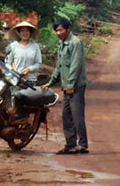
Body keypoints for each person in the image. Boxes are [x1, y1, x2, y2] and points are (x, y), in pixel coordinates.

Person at [42, 18, 89, 155]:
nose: (58, 33)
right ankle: (70, 144)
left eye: (60, 30)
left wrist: (70, 84)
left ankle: (83, 144)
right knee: (66, 116)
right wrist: (51, 82)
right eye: (56, 30)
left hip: (75, 86)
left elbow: (76, 65)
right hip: (67, 86)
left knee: (77, 115)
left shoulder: (75, 43)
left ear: (68, 29)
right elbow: (59, 66)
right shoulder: (62, 44)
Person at [5, 21, 42, 87]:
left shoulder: (35, 46)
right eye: (22, 31)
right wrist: (14, 72)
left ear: (30, 33)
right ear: (19, 33)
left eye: (27, 31)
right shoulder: (13, 46)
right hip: (16, 81)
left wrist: (29, 69)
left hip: (31, 81)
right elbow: (8, 63)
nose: (25, 33)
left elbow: (38, 63)